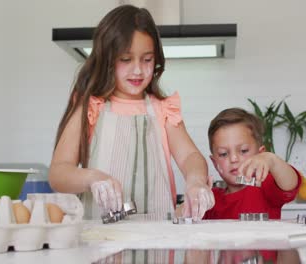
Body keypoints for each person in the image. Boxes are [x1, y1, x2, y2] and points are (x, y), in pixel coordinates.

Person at [49, 5, 214, 221]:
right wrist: (92, 178)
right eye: (126, 59)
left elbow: (190, 156)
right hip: (99, 240)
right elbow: (58, 173)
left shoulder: (163, 109)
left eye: (146, 59)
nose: (137, 70)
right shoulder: (90, 107)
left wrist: (196, 181)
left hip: (158, 240)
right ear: (107, 60)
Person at [203, 108, 301, 220]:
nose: (234, 159)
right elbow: (183, 216)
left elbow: (291, 183)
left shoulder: (264, 186)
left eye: (243, 151)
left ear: (260, 154)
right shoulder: (210, 198)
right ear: (215, 163)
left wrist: (271, 160)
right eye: (223, 154)